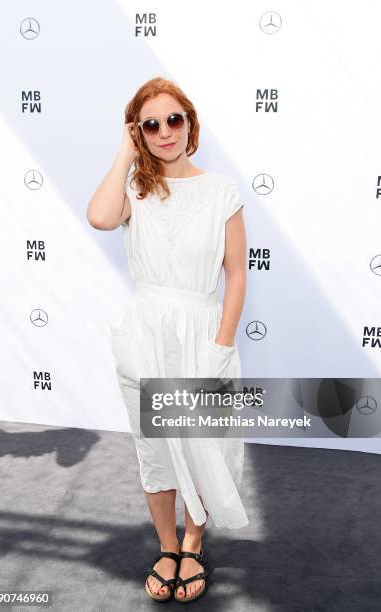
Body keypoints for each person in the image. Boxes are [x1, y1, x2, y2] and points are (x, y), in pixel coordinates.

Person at [87, 76, 249, 603]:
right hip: (147, 333)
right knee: (154, 449)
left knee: (202, 446)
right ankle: (166, 545)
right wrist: (123, 154)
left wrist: (221, 344)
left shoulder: (222, 189)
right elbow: (100, 217)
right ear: (138, 131)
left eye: (172, 119)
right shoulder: (135, 187)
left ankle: (194, 542)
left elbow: (237, 274)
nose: (164, 132)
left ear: (190, 123)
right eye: (149, 124)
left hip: (203, 330)